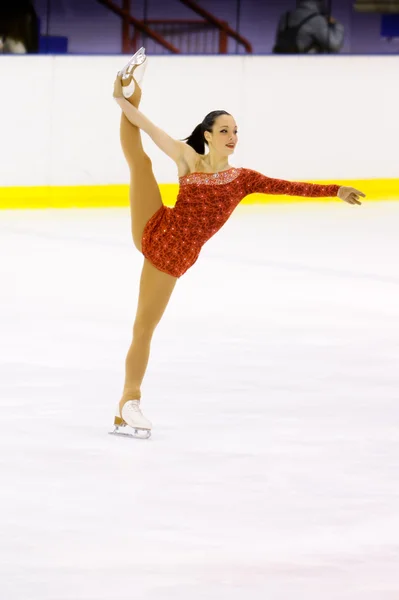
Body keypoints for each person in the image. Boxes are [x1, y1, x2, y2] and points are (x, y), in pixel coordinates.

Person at [110, 47, 364, 439]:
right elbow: (147, 127)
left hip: (173, 256)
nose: (232, 137)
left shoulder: (243, 178)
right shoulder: (187, 158)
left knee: (145, 327)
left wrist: (335, 189)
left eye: (235, 131)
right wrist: (123, 101)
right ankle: (130, 402)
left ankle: (124, 409)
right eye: (224, 130)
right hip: (156, 225)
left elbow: (289, 187)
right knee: (139, 162)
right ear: (208, 135)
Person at [273, 0, 344, 54]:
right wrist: (336, 24)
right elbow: (334, 45)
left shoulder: (285, 16)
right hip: (306, 68)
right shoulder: (316, 19)